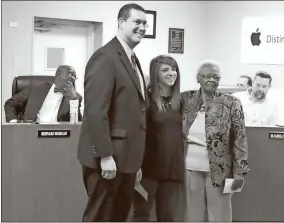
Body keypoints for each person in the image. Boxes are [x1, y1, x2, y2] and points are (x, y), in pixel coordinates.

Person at [77, 3, 149, 222]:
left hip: (127, 161)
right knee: (100, 218)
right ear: (121, 23)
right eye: (137, 22)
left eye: (145, 23)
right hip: (108, 160)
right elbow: (95, 112)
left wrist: (136, 164)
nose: (143, 28)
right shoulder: (105, 57)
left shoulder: (132, 59)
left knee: (118, 217)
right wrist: (105, 155)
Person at [181, 60, 249, 222]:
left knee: (219, 215)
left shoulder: (231, 103)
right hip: (189, 167)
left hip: (220, 169)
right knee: (192, 214)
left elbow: (240, 139)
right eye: (208, 76)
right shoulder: (185, 98)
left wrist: (240, 171)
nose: (212, 80)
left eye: (216, 77)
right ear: (198, 78)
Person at [132, 55, 185, 221]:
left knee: (167, 217)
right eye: (166, 70)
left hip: (173, 170)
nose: (172, 73)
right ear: (155, 74)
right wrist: (135, 165)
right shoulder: (145, 100)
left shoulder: (181, 100)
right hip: (147, 169)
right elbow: (136, 134)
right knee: (141, 214)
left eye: (174, 69)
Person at [4, 65, 82, 123]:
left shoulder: (76, 97)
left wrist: (74, 100)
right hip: (32, 132)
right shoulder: (35, 89)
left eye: (75, 76)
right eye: (70, 74)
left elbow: (77, 125)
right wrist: (13, 123)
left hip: (59, 135)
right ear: (58, 74)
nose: (73, 78)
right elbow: (10, 103)